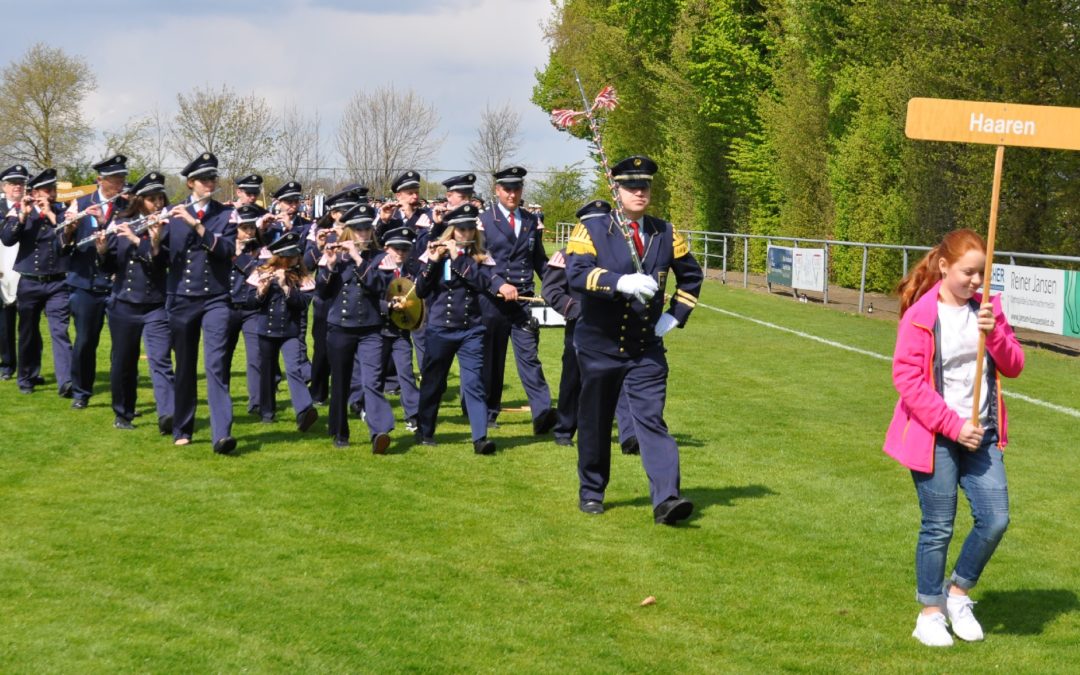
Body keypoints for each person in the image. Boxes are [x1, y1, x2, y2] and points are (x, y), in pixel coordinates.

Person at [885, 228, 1025, 647]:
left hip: (981, 435)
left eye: (982, 275)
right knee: (938, 527)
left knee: (995, 518)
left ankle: (957, 595)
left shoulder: (987, 311)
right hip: (935, 438)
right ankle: (929, 613)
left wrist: (996, 329)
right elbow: (907, 380)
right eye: (968, 273)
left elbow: (1015, 366)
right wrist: (952, 425)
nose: (976, 283)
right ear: (944, 267)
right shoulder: (920, 316)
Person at [565, 155, 703, 525]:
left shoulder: (665, 232)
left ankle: (667, 498)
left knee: (651, 420)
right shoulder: (592, 228)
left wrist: (676, 314)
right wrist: (618, 282)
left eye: (644, 186)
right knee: (594, 420)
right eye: (631, 186)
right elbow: (577, 275)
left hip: (645, 348)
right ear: (616, 190)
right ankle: (592, 490)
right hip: (599, 346)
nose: (639, 192)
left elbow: (691, 277)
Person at [159, 152, 239, 453]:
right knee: (185, 366)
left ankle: (222, 434)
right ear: (191, 183)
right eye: (205, 179)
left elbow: (228, 249)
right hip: (181, 299)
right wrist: (154, 237)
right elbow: (159, 256)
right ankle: (182, 427)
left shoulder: (224, 214)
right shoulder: (172, 214)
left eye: (213, 178)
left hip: (216, 299)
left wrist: (198, 227)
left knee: (216, 364)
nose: (211, 183)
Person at [414, 204, 498, 455]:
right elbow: (420, 290)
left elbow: (484, 284)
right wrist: (432, 262)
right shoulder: (437, 254)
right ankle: (425, 430)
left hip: (470, 329)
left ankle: (480, 437)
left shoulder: (481, 256)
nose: (466, 233)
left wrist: (459, 258)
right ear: (451, 231)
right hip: (440, 329)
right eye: (461, 229)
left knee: (474, 383)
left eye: (470, 228)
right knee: (433, 382)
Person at [477, 166, 555, 434]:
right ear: (497, 190)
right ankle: (488, 413)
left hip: (524, 300)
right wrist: (499, 283)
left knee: (530, 357)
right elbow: (478, 262)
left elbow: (538, 260)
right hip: (493, 301)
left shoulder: (532, 221)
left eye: (516, 188)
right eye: (507, 189)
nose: (512, 194)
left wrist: (556, 287)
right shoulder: (484, 221)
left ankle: (543, 413)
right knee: (492, 360)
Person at [95, 171, 174, 432]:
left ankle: (168, 414)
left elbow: (163, 262)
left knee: (161, 359)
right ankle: (123, 413)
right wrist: (103, 249)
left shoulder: (167, 225)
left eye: (160, 198)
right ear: (140, 200)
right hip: (124, 303)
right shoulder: (122, 221)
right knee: (124, 361)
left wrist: (146, 240)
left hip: (155, 303)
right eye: (152, 200)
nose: (158, 204)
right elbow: (108, 267)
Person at [541, 247, 637, 451]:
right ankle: (565, 429)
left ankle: (628, 435)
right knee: (572, 380)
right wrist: (575, 310)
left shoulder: (618, 253)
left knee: (621, 378)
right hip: (580, 325)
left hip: (614, 326)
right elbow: (550, 290)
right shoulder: (566, 255)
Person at [316, 203, 393, 452]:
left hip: (370, 329)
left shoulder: (380, 258)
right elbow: (323, 292)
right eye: (358, 230)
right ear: (349, 231)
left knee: (372, 381)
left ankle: (379, 430)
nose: (362, 234)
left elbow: (379, 286)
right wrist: (328, 265)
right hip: (340, 327)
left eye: (366, 229)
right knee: (340, 382)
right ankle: (340, 431)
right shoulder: (336, 256)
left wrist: (359, 258)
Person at [61, 154, 130, 409]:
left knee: (121, 344)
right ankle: (81, 392)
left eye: (123, 177)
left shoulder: (127, 206)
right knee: (86, 340)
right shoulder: (79, 203)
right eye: (115, 178)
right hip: (85, 284)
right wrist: (69, 228)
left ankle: (120, 393)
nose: (121, 182)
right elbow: (63, 247)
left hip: (117, 283)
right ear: (100, 180)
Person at [0, 168, 73, 397]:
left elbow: (68, 240)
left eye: (52, 190)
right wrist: (22, 215)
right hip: (30, 282)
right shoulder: (22, 211)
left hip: (57, 283)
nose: (50, 194)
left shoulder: (62, 212)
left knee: (60, 331)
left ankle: (67, 381)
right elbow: (8, 238)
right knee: (28, 332)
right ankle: (26, 377)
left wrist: (50, 213)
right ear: (34, 191)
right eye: (45, 190)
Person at [243, 230, 319, 432]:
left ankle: (304, 410)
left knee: (294, 368)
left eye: (296, 255)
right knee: (266, 371)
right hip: (265, 330)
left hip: (290, 331)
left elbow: (303, 304)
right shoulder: (260, 272)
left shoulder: (304, 277)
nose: (294, 259)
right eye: (290, 256)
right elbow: (249, 303)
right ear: (280, 257)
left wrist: (286, 287)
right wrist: (261, 290)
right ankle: (267, 412)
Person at [305, 186, 365, 406]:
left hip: (352, 299)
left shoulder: (360, 233)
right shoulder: (321, 232)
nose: (349, 215)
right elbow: (305, 266)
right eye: (345, 211)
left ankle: (355, 398)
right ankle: (319, 392)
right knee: (322, 350)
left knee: (356, 353)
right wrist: (319, 247)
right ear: (334, 214)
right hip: (326, 299)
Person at [377, 225, 422, 432]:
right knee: (374, 375)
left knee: (405, 371)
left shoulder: (411, 273)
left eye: (405, 249)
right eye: (397, 249)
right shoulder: (377, 271)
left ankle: (413, 415)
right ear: (386, 248)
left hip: (400, 331)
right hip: (377, 330)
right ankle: (367, 408)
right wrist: (387, 306)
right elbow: (369, 300)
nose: (401, 253)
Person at [225, 204, 268, 417]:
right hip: (226, 307)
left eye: (252, 228)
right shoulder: (223, 247)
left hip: (251, 308)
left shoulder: (261, 250)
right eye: (244, 228)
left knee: (256, 357)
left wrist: (240, 254)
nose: (249, 232)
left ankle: (257, 403)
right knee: (222, 357)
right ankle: (221, 400)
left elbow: (258, 272)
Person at [0, 164, 29, 381]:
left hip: (27, 271)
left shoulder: (32, 207)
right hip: (2, 270)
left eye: (21, 183)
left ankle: (30, 369)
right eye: (13, 183)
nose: (17, 187)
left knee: (29, 326)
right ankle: (8, 364)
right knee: (4, 324)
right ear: (4, 186)